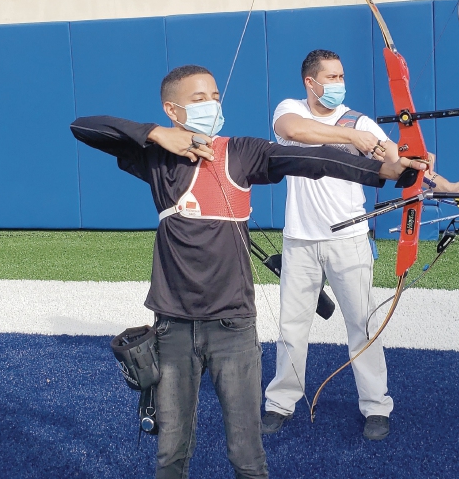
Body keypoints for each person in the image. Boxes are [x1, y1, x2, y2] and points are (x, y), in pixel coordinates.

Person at [69, 65, 425, 479]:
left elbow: (311, 158)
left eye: (216, 97)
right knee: (170, 452)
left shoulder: (240, 151)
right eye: (199, 99)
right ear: (173, 109)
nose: (212, 104)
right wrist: (155, 133)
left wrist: (386, 170)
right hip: (172, 326)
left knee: (247, 454)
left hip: (233, 326)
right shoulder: (157, 156)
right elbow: (85, 128)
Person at [262, 49, 459, 441]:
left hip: (348, 241)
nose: (338, 84)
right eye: (331, 77)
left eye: (341, 76)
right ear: (310, 82)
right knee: (291, 328)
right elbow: (296, 131)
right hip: (299, 240)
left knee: (363, 326)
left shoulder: (360, 120)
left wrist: (445, 185)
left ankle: (376, 407)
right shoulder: (291, 109)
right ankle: (280, 402)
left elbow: (401, 161)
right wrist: (352, 137)